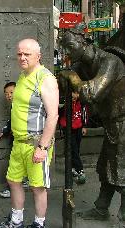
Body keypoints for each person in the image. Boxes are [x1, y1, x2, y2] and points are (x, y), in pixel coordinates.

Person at [59, 26, 125, 222]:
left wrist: (71, 77)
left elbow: (92, 93)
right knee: (105, 167)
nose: (68, 53)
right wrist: (64, 79)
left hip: (123, 121)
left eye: (71, 47)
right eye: (65, 49)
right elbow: (66, 87)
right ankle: (101, 208)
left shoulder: (109, 61)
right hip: (111, 123)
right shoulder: (82, 65)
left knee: (121, 167)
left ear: (84, 42)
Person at [0, 38, 59, 228]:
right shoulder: (23, 76)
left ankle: (39, 224)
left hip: (36, 143)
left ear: (38, 56)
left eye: (27, 54)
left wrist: (43, 147)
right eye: (19, 54)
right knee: (13, 181)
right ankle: (16, 221)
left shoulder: (45, 78)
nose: (22, 57)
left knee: (37, 187)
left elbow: (53, 116)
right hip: (19, 142)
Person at [0, 82, 29, 198]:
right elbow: (11, 121)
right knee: (15, 166)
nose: (9, 95)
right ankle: (16, 186)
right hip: (16, 140)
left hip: (23, 140)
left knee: (15, 166)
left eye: (11, 92)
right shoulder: (14, 105)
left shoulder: (21, 105)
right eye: (6, 93)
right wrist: (4, 131)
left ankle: (13, 188)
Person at [59, 91, 88, 184]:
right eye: (73, 93)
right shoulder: (66, 102)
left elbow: (84, 114)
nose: (75, 95)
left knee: (76, 148)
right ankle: (80, 169)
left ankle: (72, 167)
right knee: (73, 148)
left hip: (78, 127)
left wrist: (84, 126)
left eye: (77, 93)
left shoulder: (82, 103)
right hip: (68, 127)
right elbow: (60, 112)